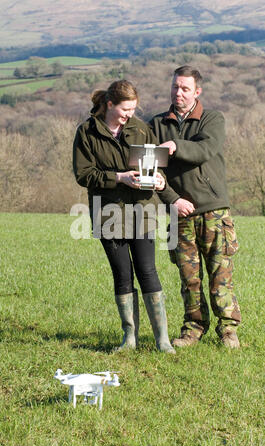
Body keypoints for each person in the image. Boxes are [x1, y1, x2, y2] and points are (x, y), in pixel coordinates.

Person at [73, 79, 176, 353]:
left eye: (132, 109)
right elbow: (83, 175)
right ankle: (129, 338)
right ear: (109, 104)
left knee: (148, 272)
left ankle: (161, 339)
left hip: (142, 211)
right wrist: (118, 178)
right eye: (124, 109)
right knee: (122, 275)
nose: (129, 114)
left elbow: (155, 165)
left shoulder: (141, 129)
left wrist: (158, 181)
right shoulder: (87, 132)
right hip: (109, 214)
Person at [150, 65, 241, 349]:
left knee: (220, 274)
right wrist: (173, 200)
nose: (179, 93)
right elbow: (152, 171)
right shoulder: (156, 124)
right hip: (179, 212)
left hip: (213, 210)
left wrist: (175, 146)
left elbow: (205, 150)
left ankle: (227, 330)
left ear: (197, 92)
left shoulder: (212, 119)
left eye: (185, 88)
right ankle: (192, 328)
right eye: (176, 87)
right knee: (189, 278)